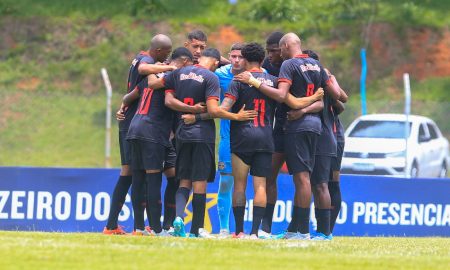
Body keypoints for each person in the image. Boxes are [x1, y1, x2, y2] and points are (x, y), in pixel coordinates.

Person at [235, 33, 339, 239]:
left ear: (285, 46)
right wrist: (314, 96)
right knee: (304, 179)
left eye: (278, 49)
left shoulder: (289, 65)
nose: (277, 53)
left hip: (296, 127)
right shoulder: (317, 66)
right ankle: (295, 229)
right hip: (314, 126)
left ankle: (302, 231)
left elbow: (282, 96)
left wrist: (255, 83)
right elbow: (335, 95)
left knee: (302, 178)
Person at [103, 34, 175, 235]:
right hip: (137, 124)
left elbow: (131, 91)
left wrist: (123, 105)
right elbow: (143, 71)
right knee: (130, 174)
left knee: (135, 174)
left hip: (133, 122)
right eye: (166, 53)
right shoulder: (147, 60)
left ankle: (135, 226)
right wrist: (169, 68)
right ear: (158, 51)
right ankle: (116, 226)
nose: (166, 58)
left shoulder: (141, 58)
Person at [121, 47, 194, 236]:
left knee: (138, 179)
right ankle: (156, 229)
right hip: (152, 132)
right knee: (153, 180)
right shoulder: (172, 78)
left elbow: (128, 96)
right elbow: (170, 102)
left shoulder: (151, 75)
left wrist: (123, 108)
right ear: (185, 62)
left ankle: (138, 228)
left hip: (134, 129)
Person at [214, 43, 246, 237]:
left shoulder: (257, 74)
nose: (236, 60)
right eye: (232, 56)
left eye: (240, 57)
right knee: (226, 182)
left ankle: (253, 229)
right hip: (227, 136)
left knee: (253, 183)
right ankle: (224, 228)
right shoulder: (219, 74)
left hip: (251, 137)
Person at [260, 31, 285, 238]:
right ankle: (266, 226)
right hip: (277, 128)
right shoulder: (266, 66)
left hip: (298, 127)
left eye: (273, 51)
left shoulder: (294, 64)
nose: (270, 55)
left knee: (306, 179)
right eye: (267, 51)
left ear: (284, 49)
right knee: (270, 175)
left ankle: (300, 227)